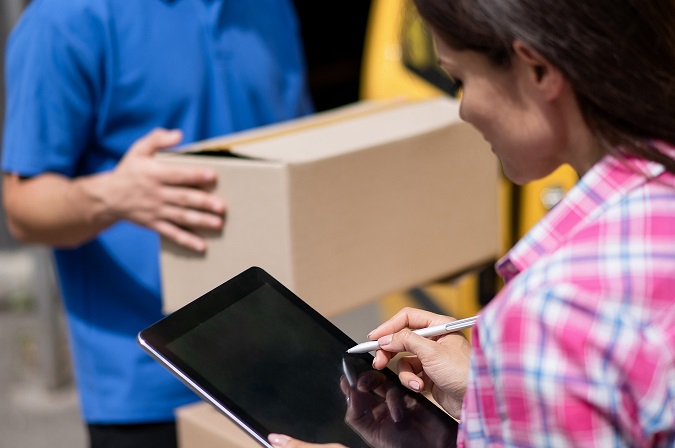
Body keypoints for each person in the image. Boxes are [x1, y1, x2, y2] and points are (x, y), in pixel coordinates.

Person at [266, 0, 675, 446]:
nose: (463, 110)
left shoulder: (551, 310)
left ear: (536, 70)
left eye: (460, 78)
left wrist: (518, 369)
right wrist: (494, 396)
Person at [1, 0, 313, 446]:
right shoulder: (64, 18)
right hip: (149, 383)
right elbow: (22, 209)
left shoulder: (269, 10)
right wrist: (113, 195)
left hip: (288, 356)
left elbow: (298, 155)